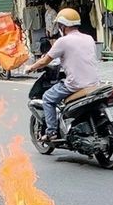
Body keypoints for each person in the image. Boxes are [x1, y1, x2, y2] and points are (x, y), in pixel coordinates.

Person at [25, 8, 99, 140]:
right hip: (95, 83)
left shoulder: (63, 41)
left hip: (76, 84)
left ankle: (51, 132)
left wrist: (30, 67)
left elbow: (45, 61)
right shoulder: (89, 38)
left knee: (48, 97)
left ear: (62, 26)